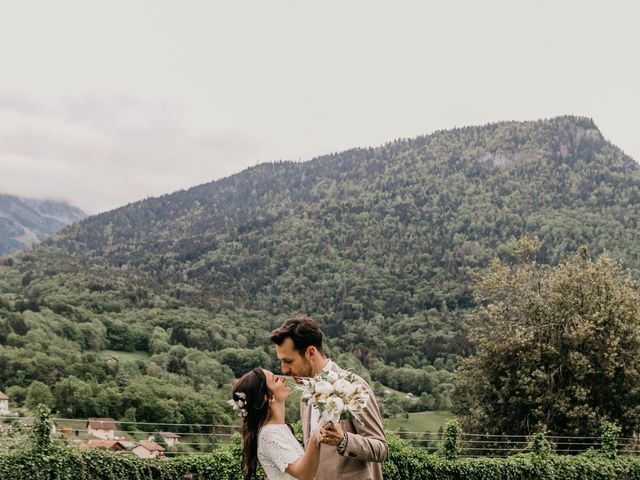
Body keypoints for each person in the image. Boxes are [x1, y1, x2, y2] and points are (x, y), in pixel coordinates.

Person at [270, 315, 388, 480]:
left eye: (288, 361)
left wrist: (344, 440)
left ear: (311, 352)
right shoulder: (305, 394)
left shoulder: (354, 386)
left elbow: (381, 449)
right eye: (281, 362)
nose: (284, 369)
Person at [231, 367, 322, 480]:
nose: (283, 378)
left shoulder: (278, 429)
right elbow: (304, 474)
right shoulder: (269, 434)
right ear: (269, 397)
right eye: (275, 379)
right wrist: (315, 439)